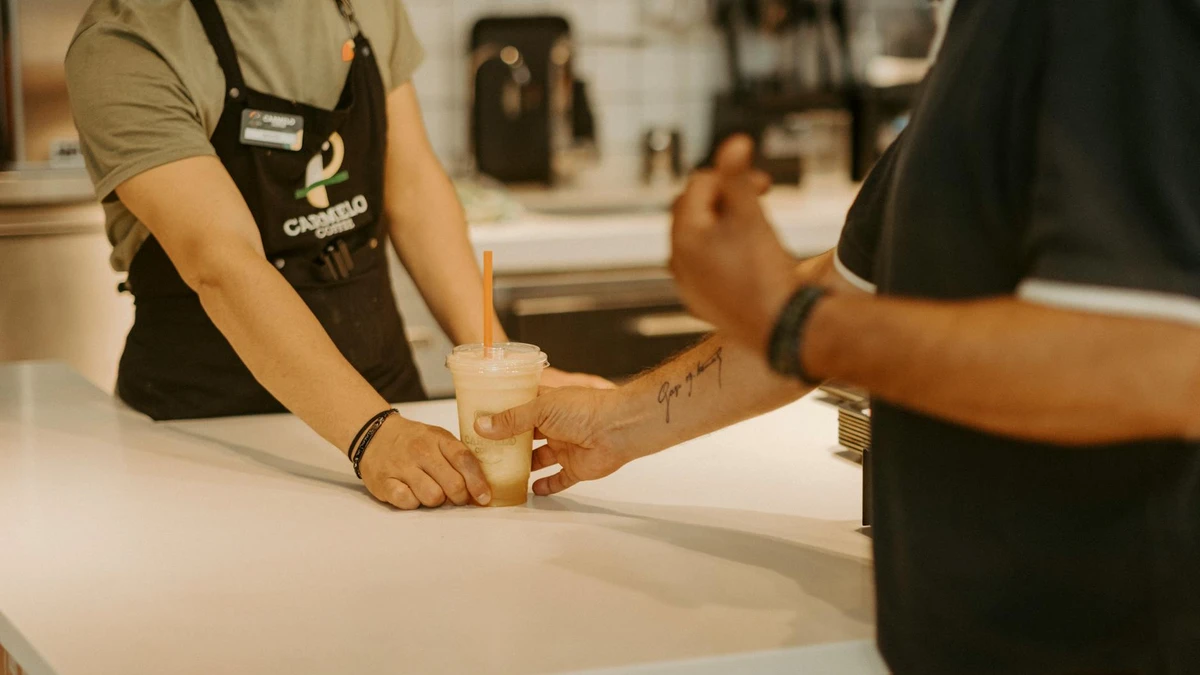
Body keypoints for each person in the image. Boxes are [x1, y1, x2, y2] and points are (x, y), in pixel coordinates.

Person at [474, 2, 1200, 672]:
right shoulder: (990, 25)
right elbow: (853, 287)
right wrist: (614, 424)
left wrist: (794, 324)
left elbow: (1156, 360)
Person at [64, 0, 606, 511]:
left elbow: (414, 191)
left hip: (391, 404)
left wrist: (504, 368)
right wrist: (370, 433)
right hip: (211, 436)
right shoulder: (126, 42)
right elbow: (222, 261)